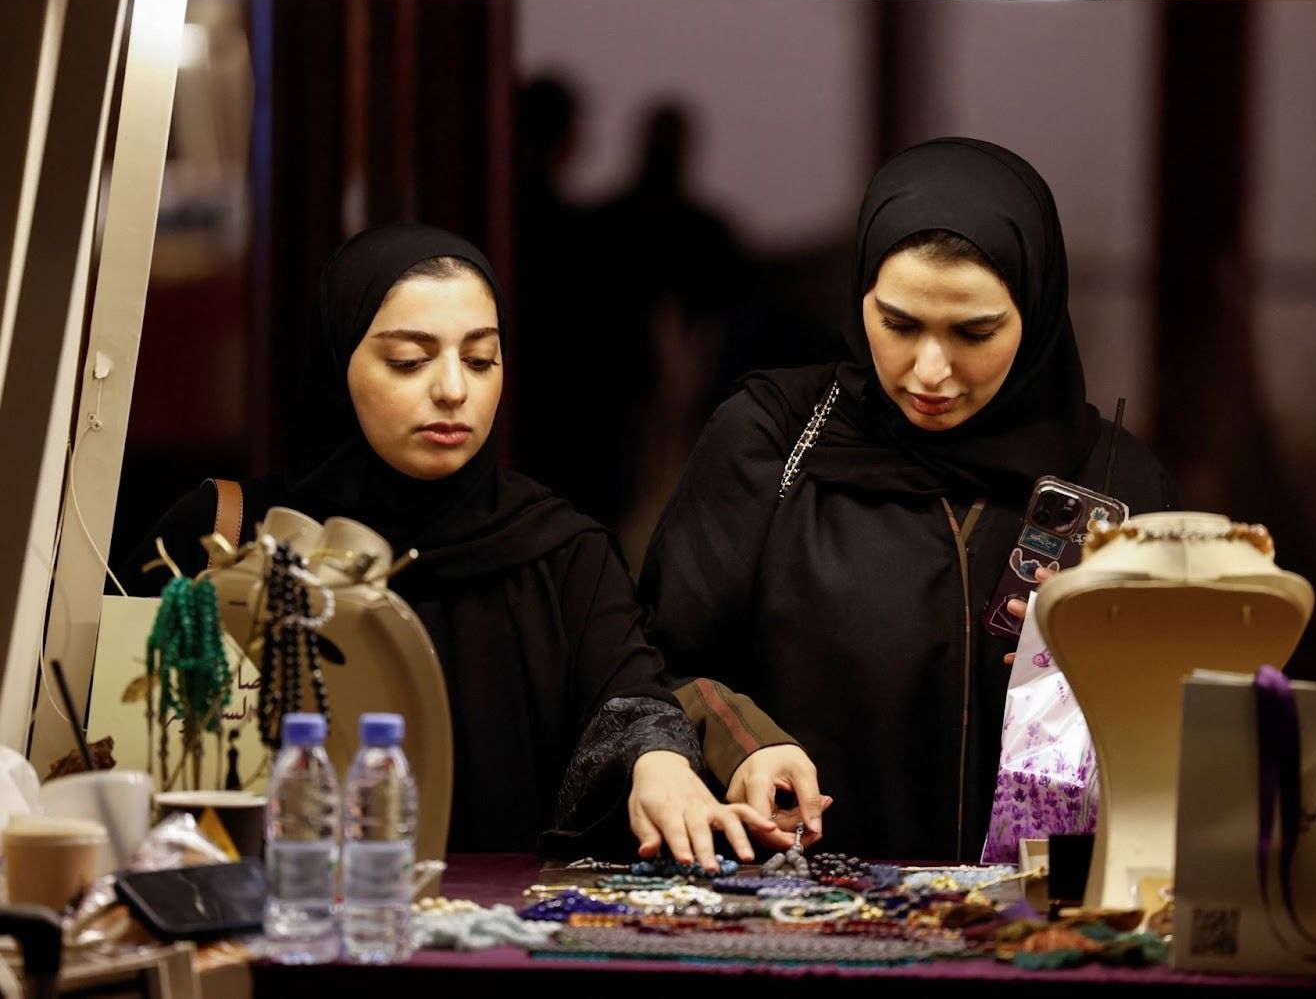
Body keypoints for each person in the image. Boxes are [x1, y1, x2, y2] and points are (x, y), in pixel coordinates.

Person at [120, 224, 768, 866]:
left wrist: (661, 765)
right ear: (337, 358)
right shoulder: (220, 538)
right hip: (269, 935)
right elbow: (119, 751)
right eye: (408, 360)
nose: (453, 389)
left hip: (496, 946)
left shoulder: (561, 551)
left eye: (481, 359)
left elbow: (630, 697)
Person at [639, 138, 1178, 860]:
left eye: (974, 332)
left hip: (1037, 931)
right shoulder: (774, 443)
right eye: (898, 324)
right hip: (795, 915)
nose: (930, 369)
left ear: (1039, 312)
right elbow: (654, 664)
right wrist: (743, 745)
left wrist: (1103, 654)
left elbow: (1192, 730)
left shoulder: (1116, 484)